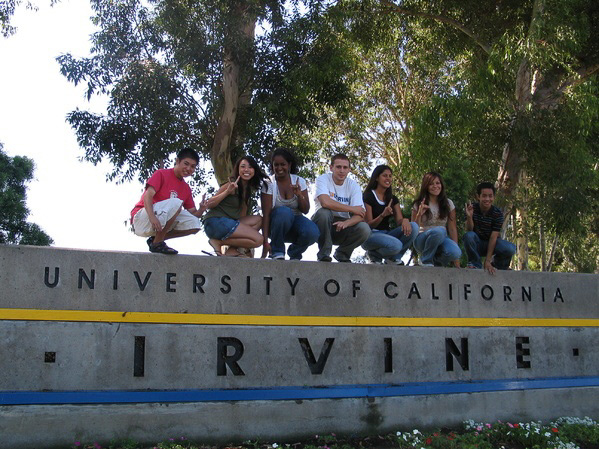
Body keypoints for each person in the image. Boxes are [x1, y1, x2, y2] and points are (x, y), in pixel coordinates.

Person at [130, 148, 208, 255]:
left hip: (160, 225)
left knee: (195, 224)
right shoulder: (161, 174)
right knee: (176, 203)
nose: (188, 168)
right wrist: (152, 217)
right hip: (142, 218)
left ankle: (156, 240)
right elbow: (148, 196)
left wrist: (202, 209)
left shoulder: (186, 188)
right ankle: (158, 243)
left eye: (193, 166)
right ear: (177, 161)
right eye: (186, 164)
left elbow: (194, 214)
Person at [203, 156, 269, 257]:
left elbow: (241, 218)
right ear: (238, 169)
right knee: (258, 240)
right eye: (243, 166)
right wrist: (227, 192)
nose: (246, 170)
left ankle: (232, 250)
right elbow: (209, 205)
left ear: (254, 170)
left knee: (259, 220)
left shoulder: (247, 190)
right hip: (214, 222)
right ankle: (219, 243)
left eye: (250, 167)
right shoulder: (230, 184)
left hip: (229, 224)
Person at [261, 149, 319, 260]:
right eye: (276, 165)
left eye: (283, 164)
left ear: (289, 165)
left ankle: (295, 253)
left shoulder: (299, 181)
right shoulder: (268, 183)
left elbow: (305, 210)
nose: (279, 168)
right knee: (284, 212)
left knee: (312, 232)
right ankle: (277, 251)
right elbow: (266, 215)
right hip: (276, 225)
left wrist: (299, 195)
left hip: (296, 221)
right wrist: (265, 242)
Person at [311, 154, 371, 262]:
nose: (342, 171)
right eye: (338, 167)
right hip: (322, 225)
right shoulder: (322, 179)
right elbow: (325, 203)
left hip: (342, 226)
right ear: (331, 168)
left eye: (345, 168)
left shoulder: (353, 185)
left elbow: (360, 214)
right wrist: (352, 209)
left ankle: (342, 253)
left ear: (349, 170)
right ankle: (324, 254)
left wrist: (346, 223)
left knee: (364, 228)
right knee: (324, 213)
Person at [361, 165, 418, 265]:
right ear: (377, 178)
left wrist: (405, 220)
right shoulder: (368, 195)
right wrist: (382, 215)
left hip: (387, 234)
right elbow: (369, 224)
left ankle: (394, 258)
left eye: (390, 176)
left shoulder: (393, 199)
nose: (388, 178)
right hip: (370, 236)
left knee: (414, 227)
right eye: (384, 176)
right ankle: (374, 255)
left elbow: (399, 221)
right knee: (396, 245)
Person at [464, 182, 516, 273]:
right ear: (478, 196)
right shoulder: (472, 208)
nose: (487, 199)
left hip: (492, 243)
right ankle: (475, 264)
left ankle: (499, 265)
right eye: (484, 196)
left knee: (510, 248)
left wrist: (487, 261)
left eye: (490, 196)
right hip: (477, 243)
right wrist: (469, 217)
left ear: (494, 197)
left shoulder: (497, 213)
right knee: (469, 236)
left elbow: (493, 237)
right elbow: (469, 230)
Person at [411, 172, 461, 267]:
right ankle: (425, 260)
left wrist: (456, 259)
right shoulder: (418, 204)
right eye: (431, 184)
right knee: (440, 231)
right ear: (426, 186)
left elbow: (452, 228)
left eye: (437, 183)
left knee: (455, 253)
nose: (435, 186)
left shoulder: (448, 203)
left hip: (442, 239)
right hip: (422, 239)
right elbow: (413, 229)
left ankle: (434, 262)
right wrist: (419, 214)